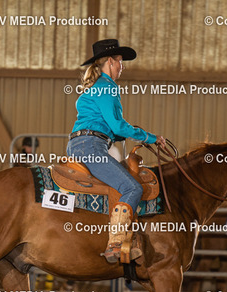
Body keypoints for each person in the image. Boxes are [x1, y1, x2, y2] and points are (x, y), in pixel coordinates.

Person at [68, 39, 166, 263]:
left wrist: (123, 134)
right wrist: (150, 137)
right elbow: (118, 126)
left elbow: (109, 127)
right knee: (132, 187)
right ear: (111, 62)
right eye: (120, 61)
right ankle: (116, 243)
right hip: (91, 146)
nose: (122, 67)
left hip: (80, 143)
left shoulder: (95, 86)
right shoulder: (108, 86)